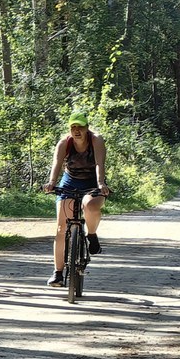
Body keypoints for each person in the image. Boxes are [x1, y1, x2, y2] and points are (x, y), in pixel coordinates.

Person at [41, 111, 110, 287]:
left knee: (90, 205)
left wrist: (101, 183)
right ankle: (57, 272)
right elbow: (56, 164)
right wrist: (51, 183)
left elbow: (99, 164)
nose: (77, 130)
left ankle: (92, 235)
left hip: (92, 180)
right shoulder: (65, 143)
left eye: (80, 127)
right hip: (70, 180)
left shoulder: (96, 140)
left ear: (87, 128)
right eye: (73, 127)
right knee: (61, 227)